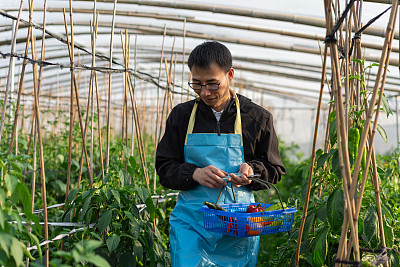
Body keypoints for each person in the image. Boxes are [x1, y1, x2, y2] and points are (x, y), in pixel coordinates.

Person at [156, 41, 285, 266]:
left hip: (239, 225)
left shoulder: (257, 118)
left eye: (212, 84)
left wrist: (253, 170)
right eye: (197, 84)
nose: (205, 92)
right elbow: (164, 167)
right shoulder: (181, 116)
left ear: (230, 75)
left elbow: (275, 169)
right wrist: (193, 173)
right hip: (192, 224)